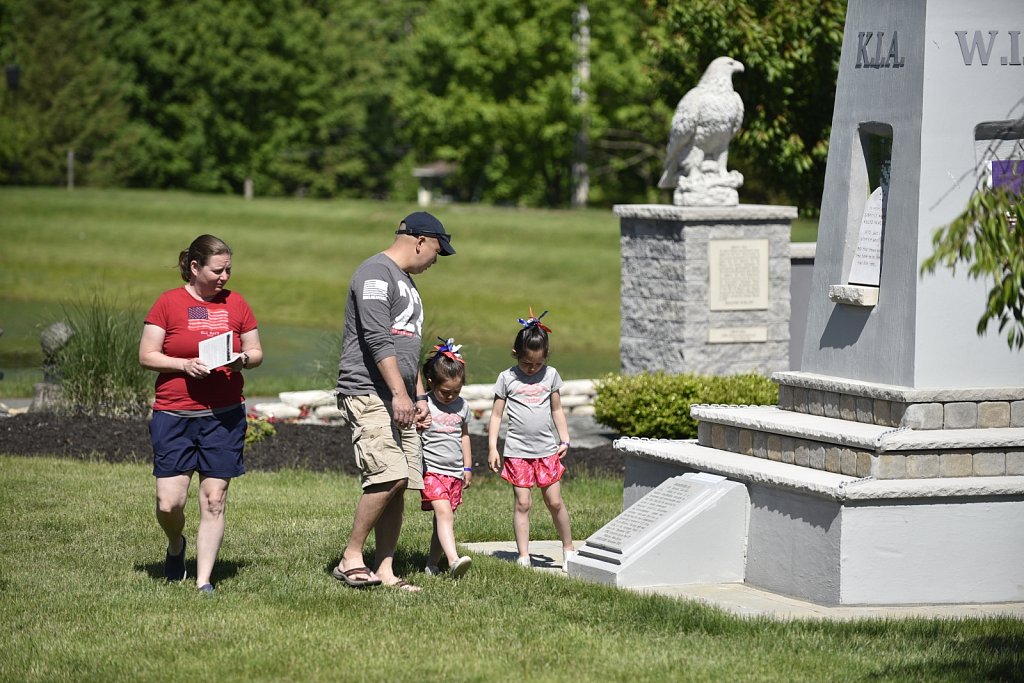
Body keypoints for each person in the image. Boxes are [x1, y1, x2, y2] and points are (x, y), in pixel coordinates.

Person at [333, 211, 455, 592]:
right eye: (436, 250)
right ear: (419, 240)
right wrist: (399, 394)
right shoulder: (374, 273)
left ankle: (385, 569)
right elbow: (375, 338)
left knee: (401, 482)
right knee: (388, 474)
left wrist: (417, 395)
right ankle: (351, 557)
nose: (435, 260)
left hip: (399, 395)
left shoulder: (407, 283)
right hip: (368, 390)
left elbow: (407, 348)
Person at [139, 234, 263, 594]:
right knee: (169, 502)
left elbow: (255, 351)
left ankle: (203, 580)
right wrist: (183, 365)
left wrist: (242, 359)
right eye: (218, 270)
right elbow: (147, 355)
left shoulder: (237, 304)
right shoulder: (168, 303)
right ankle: (176, 545)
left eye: (229, 270)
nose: (225, 277)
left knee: (214, 498)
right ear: (194, 267)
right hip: (175, 415)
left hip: (223, 417)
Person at [487, 308, 575, 572]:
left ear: (545, 357)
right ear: (516, 354)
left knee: (555, 501)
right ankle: (524, 555)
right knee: (523, 503)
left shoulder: (550, 376)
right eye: (527, 364)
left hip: (547, 450)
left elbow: (557, 409)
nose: (532, 368)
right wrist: (493, 447)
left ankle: (568, 548)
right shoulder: (507, 378)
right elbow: (496, 415)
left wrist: (565, 438)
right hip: (517, 452)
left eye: (537, 363)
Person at [419, 338, 474, 579]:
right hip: (431, 470)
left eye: (456, 391)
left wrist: (468, 466)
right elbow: (413, 432)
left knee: (442, 521)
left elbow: (464, 437)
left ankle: (432, 564)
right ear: (431, 383)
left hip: (453, 472)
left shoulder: (462, 407)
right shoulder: (424, 405)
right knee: (444, 515)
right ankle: (453, 561)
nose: (451, 396)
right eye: (445, 391)